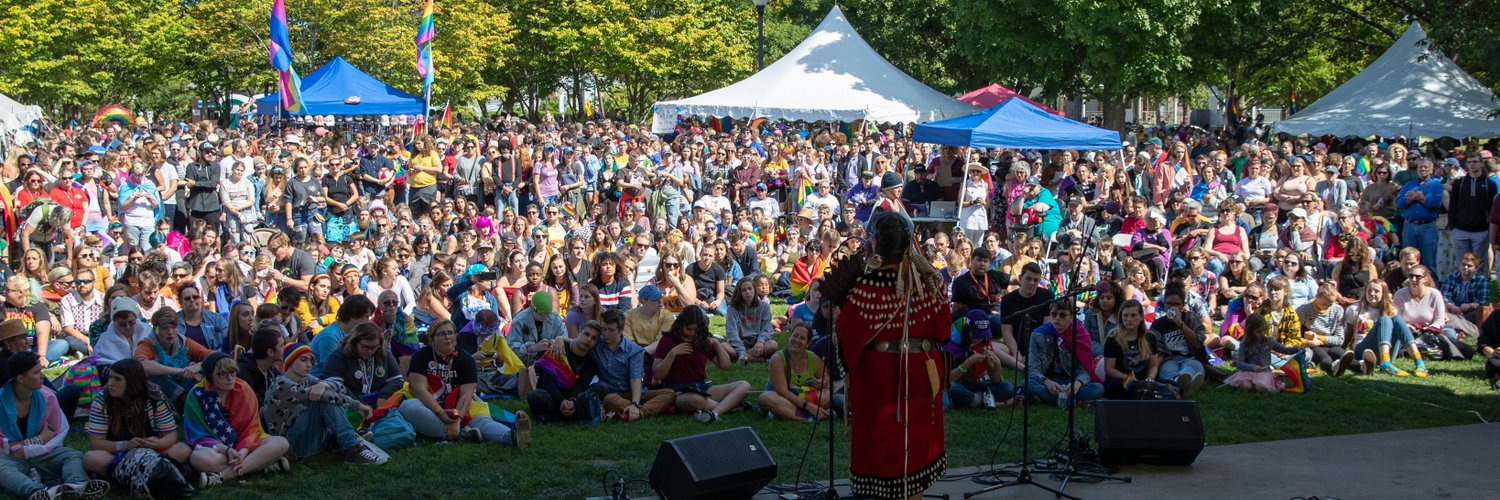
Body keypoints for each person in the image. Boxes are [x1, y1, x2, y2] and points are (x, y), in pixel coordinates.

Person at [825, 210, 949, 498]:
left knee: (882, 451)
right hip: (921, 375)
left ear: (875, 244)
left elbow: (846, 337)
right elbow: (943, 331)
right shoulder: (931, 284)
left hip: (879, 382)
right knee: (915, 455)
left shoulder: (862, 289)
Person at [397, 319, 532, 446]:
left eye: (450, 333)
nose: (447, 337)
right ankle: (461, 433)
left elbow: (467, 394)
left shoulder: (465, 358)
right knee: (409, 407)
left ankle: (511, 437)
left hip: (458, 404)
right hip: (428, 405)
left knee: (481, 420)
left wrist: (458, 418)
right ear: (432, 339)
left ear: (456, 337)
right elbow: (420, 389)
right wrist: (440, 413)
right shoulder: (421, 356)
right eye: (442, 334)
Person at [0, 352, 110, 500]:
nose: (43, 376)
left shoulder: (47, 398)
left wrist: (27, 445)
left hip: (42, 453)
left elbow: (55, 434)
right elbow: (4, 447)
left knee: (72, 455)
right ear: (20, 378)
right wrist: (38, 439)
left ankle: (77, 484)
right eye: (36, 372)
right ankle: (35, 491)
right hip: (9, 457)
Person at [81, 359, 193, 496]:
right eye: (110, 377)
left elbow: (171, 435)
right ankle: (155, 474)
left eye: (117, 379)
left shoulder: (154, 398)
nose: (110, 383)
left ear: (132, 382)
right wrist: (125, 445)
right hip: (118, 454)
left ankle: (127, 476)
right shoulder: (102, 400)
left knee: (183, 449)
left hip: (153, 451)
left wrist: (158, 443)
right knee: (91, 458)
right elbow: (96, 443)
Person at [261, 343, 383, 464]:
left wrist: (323, 384)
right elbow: (327, 396)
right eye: (303, 360)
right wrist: (357, 406)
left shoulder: (305, 379)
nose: (309, 365)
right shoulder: (282, 384)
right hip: (292, 446)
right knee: (322, 400)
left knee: (325, 396)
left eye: (311, 361)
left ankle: (346, 439)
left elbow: (339, 388)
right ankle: (352, 447)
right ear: (290, 361)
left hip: (306, 437)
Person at [184, 352, 291, 488]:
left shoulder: (243, 389)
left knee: (281, 443)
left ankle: (221, 476)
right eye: (222, 374)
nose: (230, 378)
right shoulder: (196, 395)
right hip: (217, 449)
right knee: (199, 459)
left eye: (233, 373)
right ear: (210, 376)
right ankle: (260, 464)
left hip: (247, 444)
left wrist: (244, 449)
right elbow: (196, 434)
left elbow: (252, 427)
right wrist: (226, 450)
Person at [651, 306, 751, 423]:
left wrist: (717, 345)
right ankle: (733, 406)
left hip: (701, 387)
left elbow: (725, 366)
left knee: (744, 386)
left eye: (696, 329)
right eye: (688, 329)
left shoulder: (701, 340)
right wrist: (673, 353)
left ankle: (714, 413)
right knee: (694, 400)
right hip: (678, 391)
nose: (692, 333)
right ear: (681, 325)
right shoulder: (668, 340)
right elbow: (657, 374)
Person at [1026, 299, 1101, 407]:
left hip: (1070, 380)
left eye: (1062, 315)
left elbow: (1085, 369)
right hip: (1048, 379)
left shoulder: (1081, 334)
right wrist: (1046, 382)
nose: (1057, 318)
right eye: (1054, 314)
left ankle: (1049, 399)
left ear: (1071, 316)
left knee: (1098, 389)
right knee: (1027, 384)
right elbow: (1033, 368)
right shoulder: (1038, 334)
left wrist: (1077, 383)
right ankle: (1071, 401)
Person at [526, 321, 603, 423]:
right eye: (586, 334)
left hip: (573, 398)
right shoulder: (559, 348)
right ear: (579, 332)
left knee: (601, 387)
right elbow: (547, 381)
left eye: (593, 338)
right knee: (535, 396)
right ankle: (569, 417)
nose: (588, 340)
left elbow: (581, 385)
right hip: (553, 395)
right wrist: (561, 401)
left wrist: (572, 401)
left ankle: (555, 418)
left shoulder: (591, 363)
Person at [135, 309, 212, 409]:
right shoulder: (147, 344)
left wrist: (198, 366)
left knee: (205, 369)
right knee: (155, 375)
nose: (170, 332)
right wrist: (181, 371)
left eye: (173, 327)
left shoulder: (183, 342)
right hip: (161, 398)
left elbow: (214, 356)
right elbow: (140, 366)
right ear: (156, 329)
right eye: (165, 328)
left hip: (186, 386)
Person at [1347, 280, 1426, 377]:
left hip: (1386, 351)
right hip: (1363, 350)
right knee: (1385, 319)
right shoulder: (1354, 309)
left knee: (1397, 318)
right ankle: (1385, 363)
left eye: (1376, 291)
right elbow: (1348, 332)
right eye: (1369, 291)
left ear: (1383, 293)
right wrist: (1341, 350)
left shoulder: (1391, 309)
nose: (1372, 293)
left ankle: (1419, 363)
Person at [757, 324, 832, 420]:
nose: (797, 340)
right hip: (782, 398)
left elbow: (827, 383)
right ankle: (809, 418)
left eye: (802, 338)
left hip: (803, 396)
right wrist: (809, 406)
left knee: (828, 395)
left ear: (808, 343)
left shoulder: (814, 359)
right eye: (795, 336)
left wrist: (822, 384)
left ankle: (782, 413)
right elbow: (782, 392)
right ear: (789, 337)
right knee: (765, 398)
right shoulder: (778, 359)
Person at [944, 310, 1014, 409]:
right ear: (967, 330)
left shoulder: (984, 341)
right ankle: (983, 400)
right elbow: (947, 379)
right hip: (956, 383)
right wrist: (969, 362)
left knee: (1007, 388)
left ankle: (968, 400)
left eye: (982, 334)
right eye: (975, 334)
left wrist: (996, 364)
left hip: (972, 384)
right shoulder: (952, 345)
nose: (978, 338)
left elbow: (995, 380)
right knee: (951, 387)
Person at [322, 322, 405, 402]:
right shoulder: (338, 356)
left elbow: (397, 380)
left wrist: (384, 394)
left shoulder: (383, 353)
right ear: (354, 342)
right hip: (349, 404)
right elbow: (333, 384)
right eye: (365, 347)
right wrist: (358, 404)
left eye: (374, 347)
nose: (369, 351)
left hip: (379, 401)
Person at [1151, 286, 1208, 397]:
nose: (1172, 307)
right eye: (1169, 304)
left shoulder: (1191, 318)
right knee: (1168, 371)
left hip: (1190, 358)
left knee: (1192, 369)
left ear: (1183, 305)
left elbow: (1197, 344)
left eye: (1176, 304)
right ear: (1164, 305)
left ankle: (1183, 381)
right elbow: (1157, 350)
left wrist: (1180, 324)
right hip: (1169, 359)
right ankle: (1180, 383)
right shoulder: (1158, 325)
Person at [1224, 314, 1301, 392]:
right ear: (1250, 331)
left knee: (1261, 387)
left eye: (1264, 330)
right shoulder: (1245, 344)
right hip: (1247, 373)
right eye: (1258, 331)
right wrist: (1252, 367)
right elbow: (1239, 363)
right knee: (1245, 386)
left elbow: (1285, 350)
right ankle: (1250, 385)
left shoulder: (1269, 342)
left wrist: (1296, 349)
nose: (1262, 333)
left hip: (1264, 374)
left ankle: (1257, 386)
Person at [1102, 300, 1160, 399]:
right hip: (1121, 380)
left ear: (1141, 317)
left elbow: (1153, 365)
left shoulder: (1150, 337)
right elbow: (1109, 369)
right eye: (1125, 315)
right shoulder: (1112, 339)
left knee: (1169, 384)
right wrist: (1130, 379)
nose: (1129, 319)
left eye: (1133, 315)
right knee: (1124, 386)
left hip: (1144, 380)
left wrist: (1150, 379)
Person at [308, 294, 375, 378]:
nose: (368, 321)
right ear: (353, 315)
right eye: (366, 317)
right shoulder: (330, 336)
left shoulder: (350, 332)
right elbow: (331, 370)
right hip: (321, 382)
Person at [998, 262, 1051, 368]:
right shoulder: (1008, 300)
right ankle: (1023, 367)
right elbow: (1007, 333)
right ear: (1020, 278)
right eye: (1028, 278)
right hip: (1015, 344)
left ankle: (1019, 364)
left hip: (1038, 344)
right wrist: (1017, 354)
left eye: (1036, 280)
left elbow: (1046, 330)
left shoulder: (1047, 296)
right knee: (991, 348)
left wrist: (1031, 353)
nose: (1032, 283)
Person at [1395, 158, 1443, 272]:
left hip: (1428, 227)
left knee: (1429, 261)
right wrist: (1413, 198)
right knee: (1409, 261)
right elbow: (1399, 203)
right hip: (1409, 226)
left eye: (1425, 167)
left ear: (1431, 170)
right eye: (1420, 167)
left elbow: (1436, 204)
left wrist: (1419, 198)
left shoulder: (1436, 185)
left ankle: (1432, 287)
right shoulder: (1408, 185)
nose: (1422, 169)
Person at [1296, 283, 1354, 376]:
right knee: (1325, 358)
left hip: (1330, 343)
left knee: (1342, 354)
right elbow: (1294, 335)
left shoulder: (1338, 310)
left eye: (1330, 304)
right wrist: (1307, 340)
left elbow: (1340, 339)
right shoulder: (1303, 310)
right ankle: (1333, 367)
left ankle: (1361, 365)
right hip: (1313, 345)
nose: (1327, 306)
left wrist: (1320, 338)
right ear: (1316, 297)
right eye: (1323, 304)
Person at [725, 280, 776, 363]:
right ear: (739, 293)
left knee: (773, 345)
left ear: (754, 290)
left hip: (757, 343)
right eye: (743, 290)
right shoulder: (732, 309)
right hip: (739, 342)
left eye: (750, 289)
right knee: (723, 346)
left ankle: (743, 357)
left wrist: (760, 342)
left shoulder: (764, 307)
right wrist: (741, 350)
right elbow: (732, 333)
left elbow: (767, 329)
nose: (747, 292)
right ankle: (760, 359)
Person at [237, 328, 286, 405]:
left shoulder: (271, 369)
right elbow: (254, 407)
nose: (284, 348)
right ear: (270, 352)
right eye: (281, 346)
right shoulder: (244, 375)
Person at [623, 285, 672, 356]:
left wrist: (641, 353)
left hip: (659, 354)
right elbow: (628, 341)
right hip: (633, 353)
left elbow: (661, 341)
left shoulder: (666, 315)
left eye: (660, 297)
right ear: (644, 301)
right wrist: (637, 354)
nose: (660, 301)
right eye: (655, 299)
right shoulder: (628, 315)